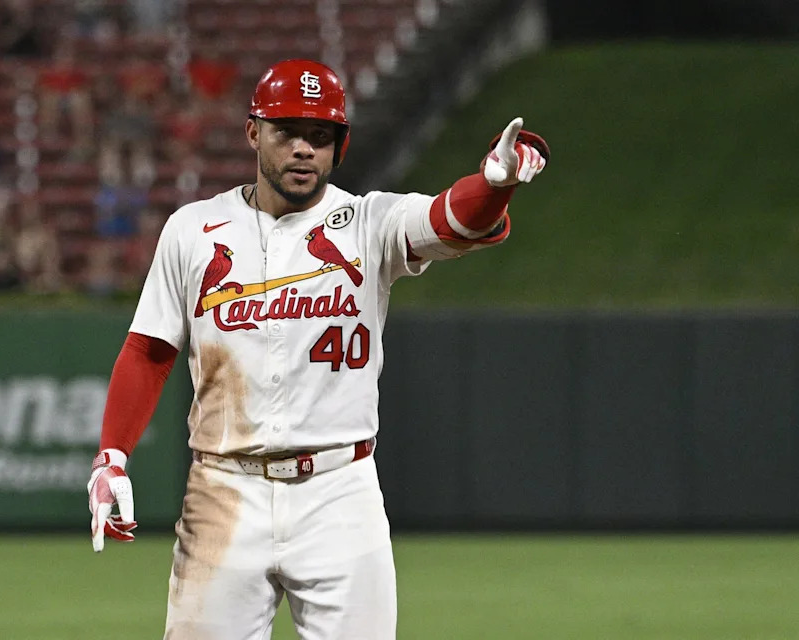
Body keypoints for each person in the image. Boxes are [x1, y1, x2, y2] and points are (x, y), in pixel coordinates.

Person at [86, 59, 549, 639]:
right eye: (289, 132)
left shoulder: (368, 221)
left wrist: (495, 181)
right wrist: (113, 455)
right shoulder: (193, 229)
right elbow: (149, 350)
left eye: (321, 135)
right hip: (224, 491)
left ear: (340, 146)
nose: (305, 148)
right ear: (254, 132)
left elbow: (449, 220)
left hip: (339, 493)